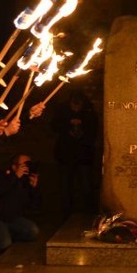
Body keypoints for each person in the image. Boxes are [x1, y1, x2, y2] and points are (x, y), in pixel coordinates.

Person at [51, 89, 99, 217]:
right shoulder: (62, 110)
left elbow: (94, 130)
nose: (76, 106)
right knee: (66, 185)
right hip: (66, 154)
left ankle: (89, 213)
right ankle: (66, 214)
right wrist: (68, 125)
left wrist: (82, 130)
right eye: (73, 104)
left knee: (86, 184)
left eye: (78, 104)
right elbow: (54, 126)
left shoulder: (89, 112)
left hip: (83, 154)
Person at [0, 154, 41, 253]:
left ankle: (6, 233)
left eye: (28, 164)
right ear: (14, 166)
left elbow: (35, 206)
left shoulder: (25, 181)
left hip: (12, 219)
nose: (26, 167)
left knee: (33, 231)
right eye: (24, 165)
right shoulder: (3, 175)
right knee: (3, 243)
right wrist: (15, 176)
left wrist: (34, 188)